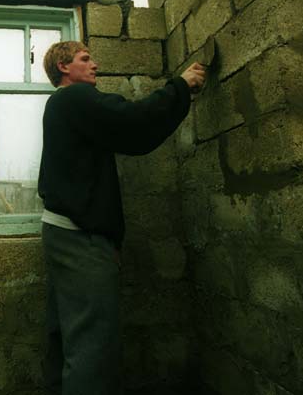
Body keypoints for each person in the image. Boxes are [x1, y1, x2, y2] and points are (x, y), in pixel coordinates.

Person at [37, 41, 205, 395]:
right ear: (64, 68)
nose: (95, 65)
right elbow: (133, 122)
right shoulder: (75, 98)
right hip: (79, 236)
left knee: (67, 335)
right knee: (93, 346)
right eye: (85, 59)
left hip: (64, 231)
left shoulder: (63, 106)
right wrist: (180, 85)